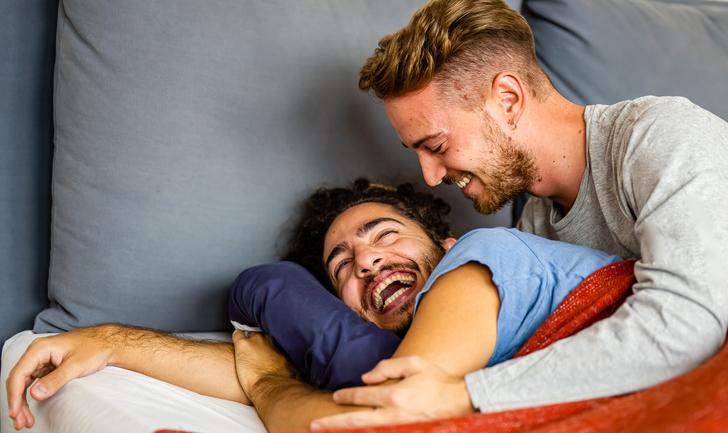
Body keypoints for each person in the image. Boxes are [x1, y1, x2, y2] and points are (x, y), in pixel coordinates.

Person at [308, 0, 728, 428]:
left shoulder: (659, 138)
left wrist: (467, 395)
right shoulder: (536, 231)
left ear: (508, 100)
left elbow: (683, 326)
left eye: (437, 146)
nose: (430, 177)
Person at [6, 179, 621, 432]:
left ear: (446, 244)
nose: (367, 262)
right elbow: (257, 370)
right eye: (341, 266)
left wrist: (274, 386)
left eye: (385, 234)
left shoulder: (486, 256)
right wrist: (112, 341)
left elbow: (388, 412)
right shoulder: (367, 347)